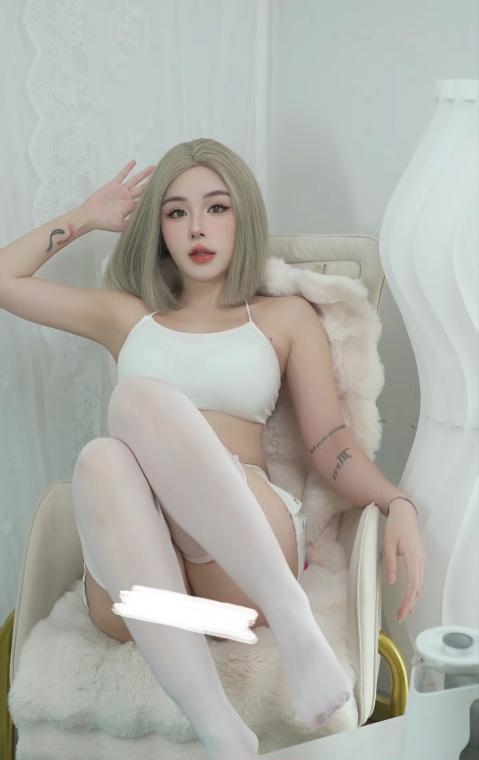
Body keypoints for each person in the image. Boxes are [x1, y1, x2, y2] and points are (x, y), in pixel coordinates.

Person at [0, 137, 425, 759]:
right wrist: (86, 217)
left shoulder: (283, 317)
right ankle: (216, 722)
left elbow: (330, 443)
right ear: (159, 230)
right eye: (176, 212)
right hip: (144, 598)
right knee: (102, 458)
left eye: (216, 207)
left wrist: (396, 501)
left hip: (239, 578)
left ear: (241, 216)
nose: (196, 227)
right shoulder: (125, 316)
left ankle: (290, 619)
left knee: (136, 401)